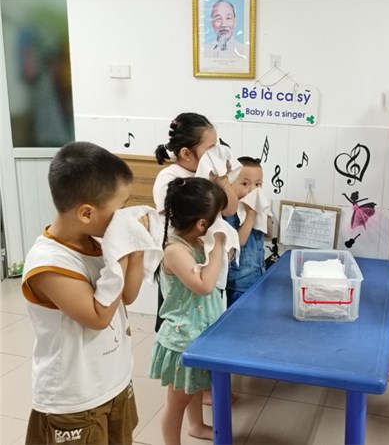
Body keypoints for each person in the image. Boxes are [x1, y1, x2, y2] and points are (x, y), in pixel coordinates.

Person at [21, 141, 145, 444]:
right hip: (75, 398)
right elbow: (98, 317)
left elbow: (127, 296)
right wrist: (120, 253)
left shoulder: (98, 242)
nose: (124, 216)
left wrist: (137, 249)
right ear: (87, 213)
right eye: (120, 208)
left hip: (113, 381)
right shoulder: (49, 263)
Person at [148, 177, 228, 444]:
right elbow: (204, 285)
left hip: (199, 333)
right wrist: (219, 245)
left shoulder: (196, 242)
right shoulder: (175, 250)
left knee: (192, 389)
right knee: (177, 402)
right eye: (218, 217)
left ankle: (196, 426)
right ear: (202, 224)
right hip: (182, 339)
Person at [153, 112, 237, 332]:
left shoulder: (212, 174)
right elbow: (178, 223)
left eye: (217, 145)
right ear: (186, 153)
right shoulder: (170, 178)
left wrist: (222, 179)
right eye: (210, 148)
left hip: (210, 259)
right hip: (183, 263)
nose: (217, 152)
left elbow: (230, 208)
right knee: (180, 319)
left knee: (209, 317)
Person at [224, 156, 273, 307]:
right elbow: (238, 242)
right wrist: (250, 215)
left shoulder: (256, 208)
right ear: (231, 184)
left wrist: (266, 213)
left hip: (258, 277)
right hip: (238, 283)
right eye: (245, 184)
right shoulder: (230, 211)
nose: (252, 190)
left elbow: (269, 235)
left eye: (258, 184)